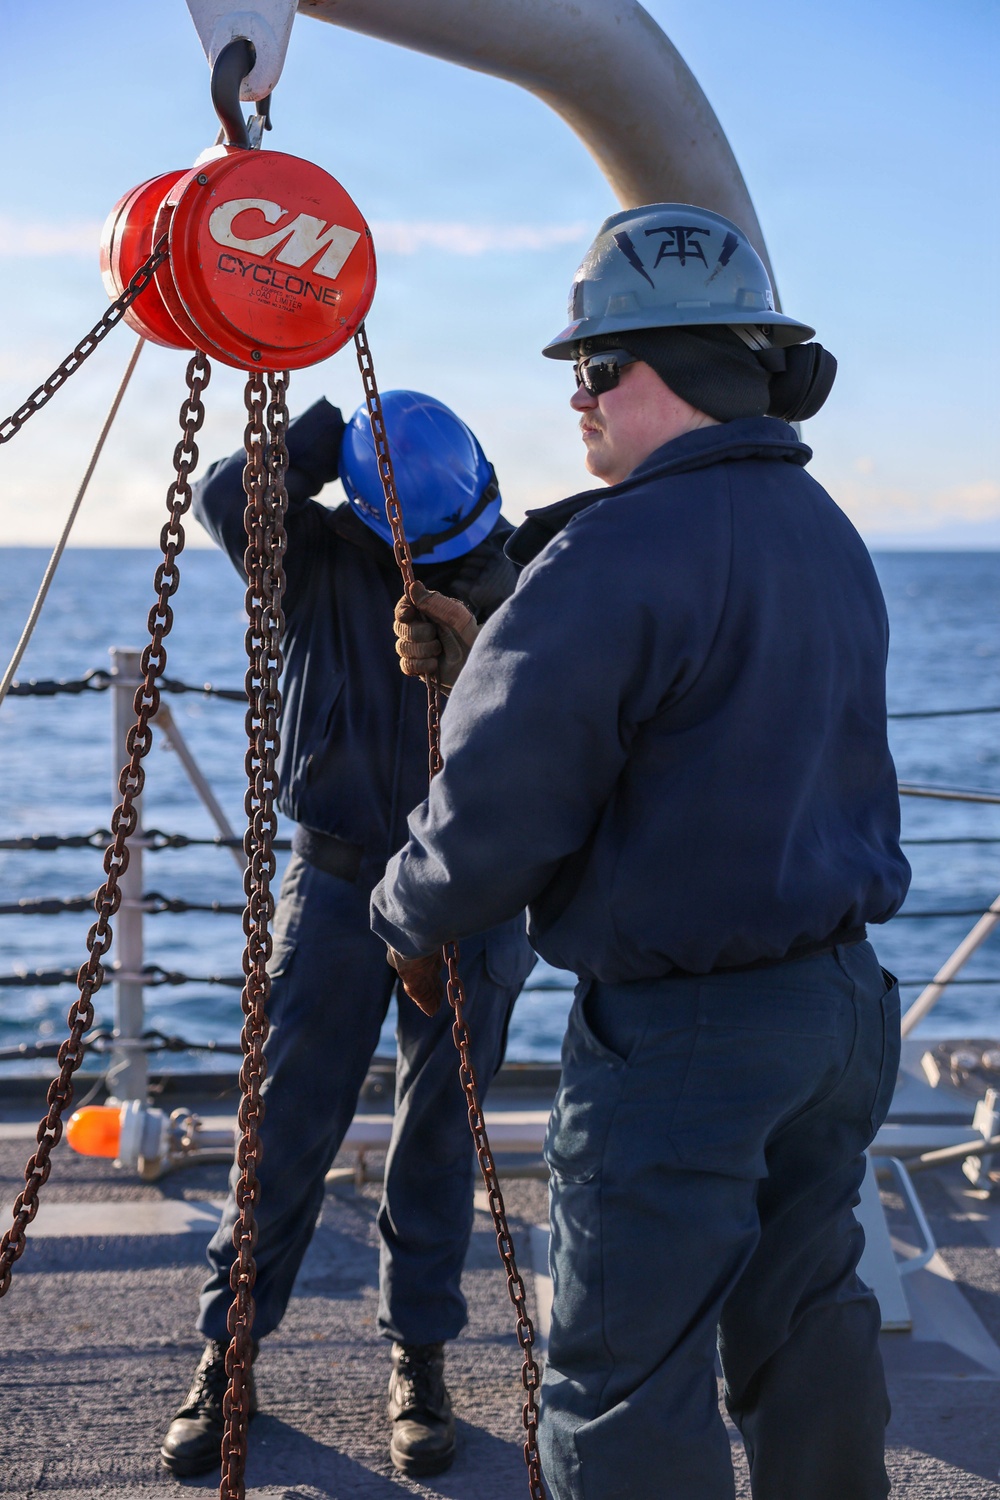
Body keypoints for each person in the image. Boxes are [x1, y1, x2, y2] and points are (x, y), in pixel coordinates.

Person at [372, 204, 911, 1500]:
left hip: (687, 1045)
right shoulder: (825, 533)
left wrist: (402, 911)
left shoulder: (615, 554)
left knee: (620, 1388)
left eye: (594, 368)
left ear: (673, 371)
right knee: (806, 1318)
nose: (577, 399)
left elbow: (500, 806)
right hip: (838, 1015)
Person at [160, 390, 535, 1480]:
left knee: (439, 1133)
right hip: (334, 885)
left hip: (470, 887)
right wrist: (331, 428)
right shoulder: (312, 558)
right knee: (281, 1123)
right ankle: (226, 1355)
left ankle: (419, 1358)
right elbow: (230, 492)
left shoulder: (519, 578)